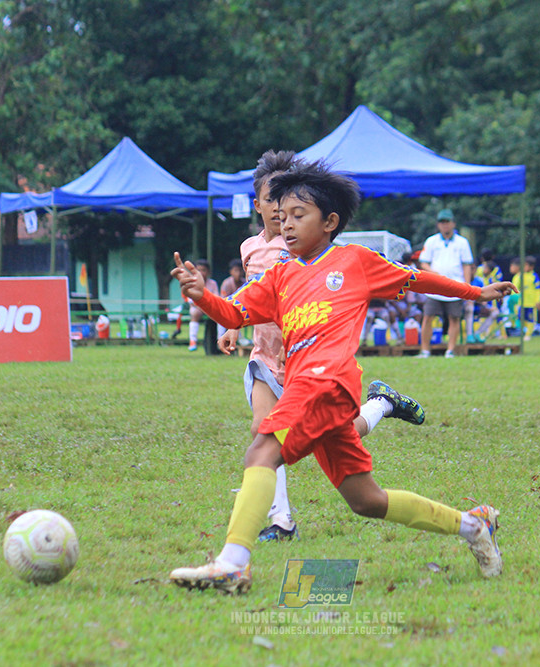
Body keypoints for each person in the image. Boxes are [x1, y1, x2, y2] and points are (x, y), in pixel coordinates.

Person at [169, 159, 517, 593]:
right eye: (282, 216)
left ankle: (233, 564)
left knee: (261, 452)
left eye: (299, 216)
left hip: (327, 382)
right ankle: (474, 526)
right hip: (311, 388)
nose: (287, 224)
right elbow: (235, 313)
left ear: (330, 222)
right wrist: (203, 296)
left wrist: (475, 292)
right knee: (366, 501)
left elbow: (416, 279)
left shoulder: (354, 260)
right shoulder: (279, 274)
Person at [217, 150, 426, 542]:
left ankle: (382, 403)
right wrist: (229, 324)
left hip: (311, 363)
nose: (281, 212)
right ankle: (281, 521)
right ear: (259, 204)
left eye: (290, 206)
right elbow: (248, 297)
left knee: (342, 436)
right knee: (262, 432)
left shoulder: (307, 248)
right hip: (266, 356)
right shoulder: (250, 248)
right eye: (272, 201)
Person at [418, 209, 474, 358]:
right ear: (438, 225)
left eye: (447, 222)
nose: (445, 225)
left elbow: (467, 265)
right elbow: (424, 262)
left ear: (453, 223)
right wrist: (433, 272)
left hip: (456, 285)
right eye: (442, 222)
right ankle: (425, 350)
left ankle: (450, 350)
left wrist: (467, 287)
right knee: (428, 317)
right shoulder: (431, 241)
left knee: (454, 318)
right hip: (434, 286)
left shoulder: (462, 242)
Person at [185, 259, 218, 351]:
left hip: (210, 308)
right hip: (197, 307)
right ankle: (193, 341)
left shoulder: (213, 283)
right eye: (198, 270)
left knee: (220, 315)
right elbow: (190, 299)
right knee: (195, 314)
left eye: (203, 270)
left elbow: (216, 297)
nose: (201, 272)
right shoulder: (192, 283)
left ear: (208, 272)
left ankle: (220, 339)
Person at [510, 256, 540, 340]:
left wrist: (538, 300)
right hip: (521, 302)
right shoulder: (519, 275)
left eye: (526, 265)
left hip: (531, 302)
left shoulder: (534, 276)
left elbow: (538, 289)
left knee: (531, 319)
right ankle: (521, 332)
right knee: (520, 318)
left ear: (531, 267)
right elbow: (515, 287)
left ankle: (528, 334)